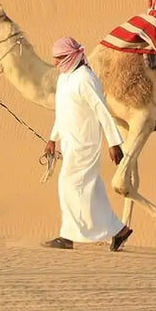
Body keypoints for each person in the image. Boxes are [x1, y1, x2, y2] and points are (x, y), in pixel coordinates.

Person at [41, 36, 133, 252]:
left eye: (59, 58)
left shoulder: (85, 78)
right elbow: (62, 112)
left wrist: (113, 143)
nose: (55, 62)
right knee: (92, 190)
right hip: (70, 141)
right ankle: (119, 231)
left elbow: (102, 110)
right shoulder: (65, 78)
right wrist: (53, 138)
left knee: (67, 184)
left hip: (84, 144)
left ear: (71, 56)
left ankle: (67, 237)